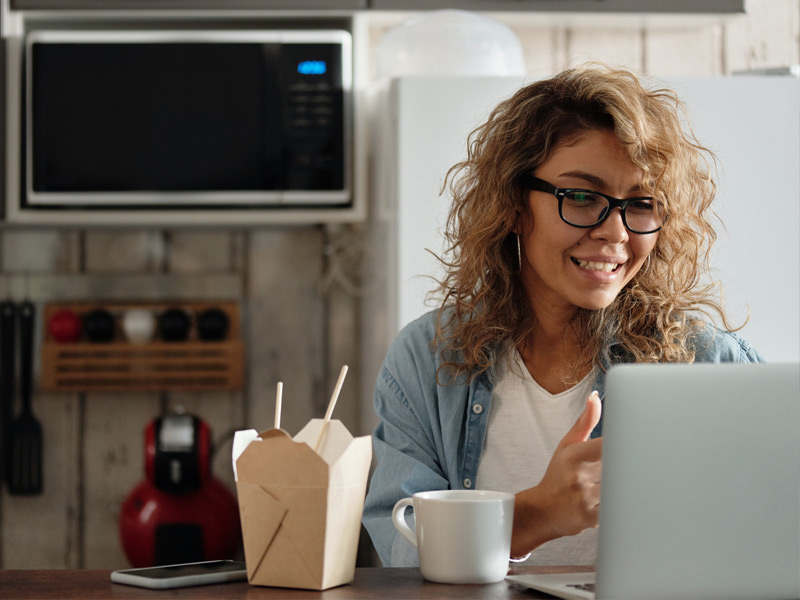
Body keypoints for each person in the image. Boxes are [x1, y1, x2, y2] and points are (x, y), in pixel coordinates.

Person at [361, 63, 763, 568]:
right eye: (581, 196)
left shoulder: (709, 364)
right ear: (513, 204)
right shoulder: (427, 361)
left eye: (641, 203)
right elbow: (402, 554)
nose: (615, 232)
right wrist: (535, 516)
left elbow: (765, 543)